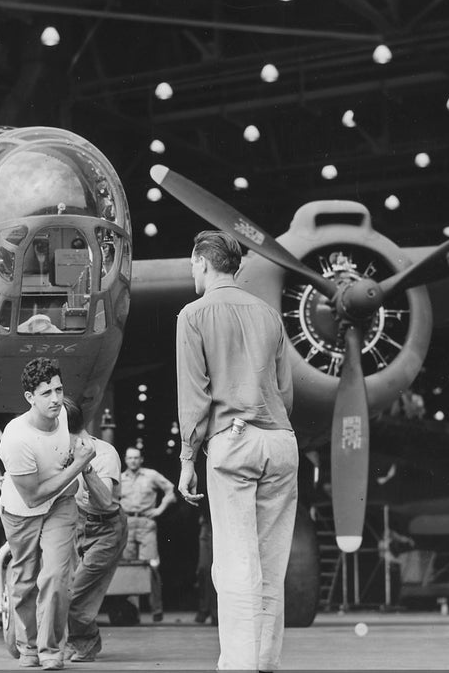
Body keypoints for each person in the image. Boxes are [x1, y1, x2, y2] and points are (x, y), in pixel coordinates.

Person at [175, 230, 298, 672]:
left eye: (193, 265)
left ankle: (240, 667)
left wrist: (188, 460)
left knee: (235, 564)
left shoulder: (193, 315)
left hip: (233, 439)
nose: (192, 271)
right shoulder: (268, 314)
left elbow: (195, 398)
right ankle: (264, 662)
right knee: (270, 561)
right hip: (281, 441)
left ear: (203, 263)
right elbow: (286, 391)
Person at [0, 357, 95, 671]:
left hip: (60, 504)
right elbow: (33, 495)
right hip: (21, 511)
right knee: (25, 582)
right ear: (30, 398)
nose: (55, 399)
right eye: (46, 393)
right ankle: (28, 647)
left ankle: (50, 649)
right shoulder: (16, 439)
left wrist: (74, 459)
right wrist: (80, 464)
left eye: (58, 389)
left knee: (54, 575)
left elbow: (65, 455)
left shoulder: (64, 413)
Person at [63, 397, 126, 664]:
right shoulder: (62, 451)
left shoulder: (104, 454)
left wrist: (85, 464)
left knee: (77, 595)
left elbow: (106, 501)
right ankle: (74, 641)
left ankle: (87, 644)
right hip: (79, 524)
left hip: (106, 528)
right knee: (62, 590)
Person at [119, 446, 175, 622]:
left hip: (146, 523)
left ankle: (156, 609)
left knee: (151, 566)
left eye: (136, 458)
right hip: (127, 523)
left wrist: (159, 509)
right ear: (125, 460)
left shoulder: (151, 475)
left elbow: (171, 490)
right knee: (128, 567)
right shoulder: (120, 479)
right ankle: (132, 612)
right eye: (130, 458)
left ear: (141, 459)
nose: (133, 461)